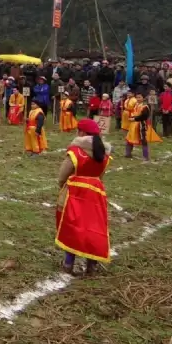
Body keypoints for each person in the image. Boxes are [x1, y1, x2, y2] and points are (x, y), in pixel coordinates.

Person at [55, 118, 112, 275]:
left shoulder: (75, 151)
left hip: (75, 193)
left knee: (71, 227)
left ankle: (68, 263)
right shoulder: (104, 154)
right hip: (96, 194)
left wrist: (63, 188)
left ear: (81, 132)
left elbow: (62, 175)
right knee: (93, 228)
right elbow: (101, 176)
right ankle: (92, 265)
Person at [126, 93, 162, 161]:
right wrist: (132, 117)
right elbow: (134, 113)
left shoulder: (145, 106)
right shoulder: (136, 105)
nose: (138, 99)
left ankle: (145, 156)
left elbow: (144, 116)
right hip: (133, 125)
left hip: (141, 125)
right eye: (137, 97)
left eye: (139, 97)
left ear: (143, 98)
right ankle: (128, 153)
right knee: (129, 138)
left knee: (143, 140)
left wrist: (134, 119)